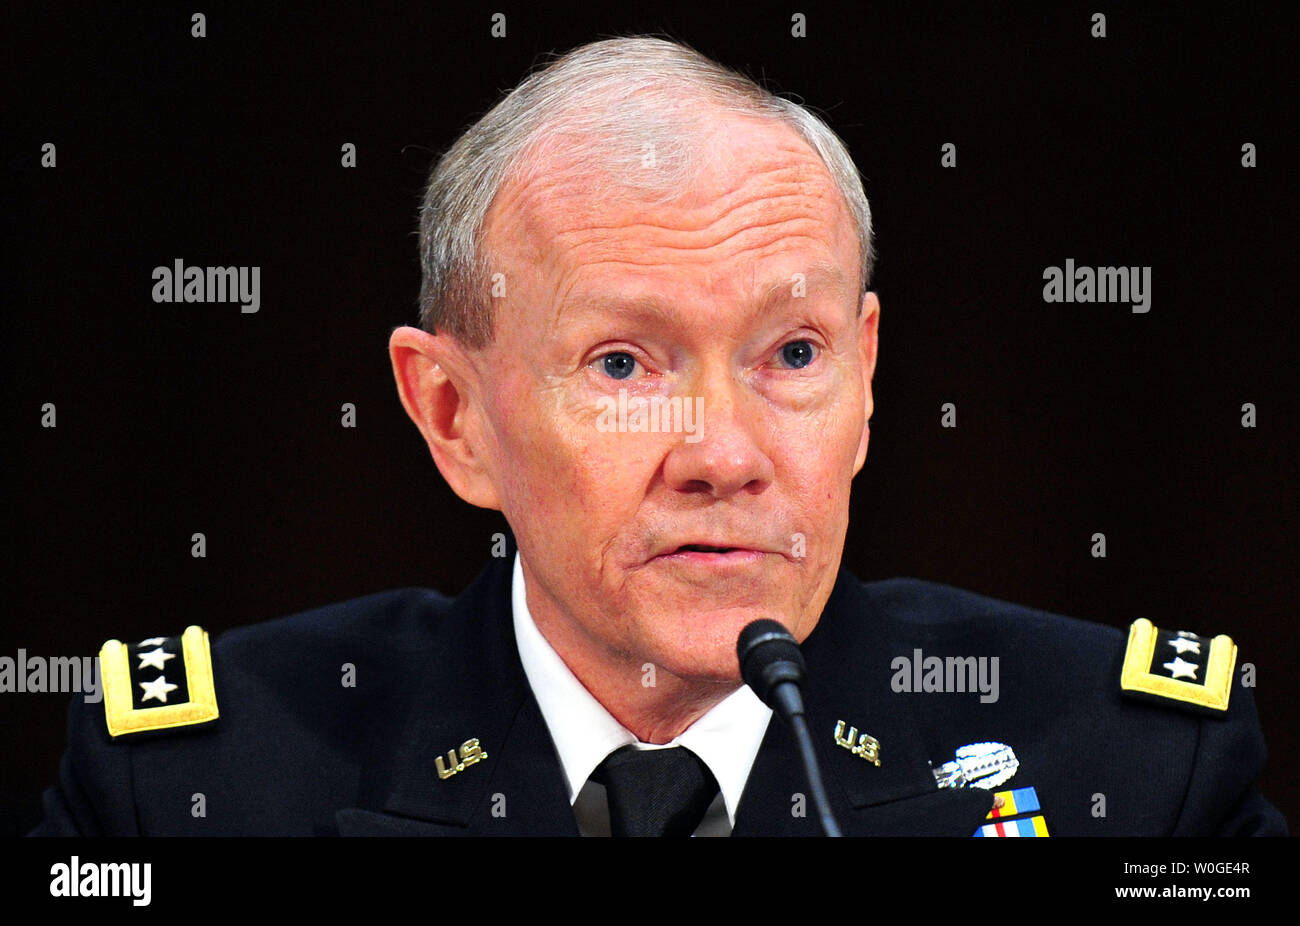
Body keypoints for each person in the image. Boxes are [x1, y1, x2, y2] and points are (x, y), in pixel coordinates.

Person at [31, 37, 1286, 837]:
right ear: (452, 417)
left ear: (864, 380)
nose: (722, 453)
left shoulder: (1133, 776)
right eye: (625, 362)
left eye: (791, 355)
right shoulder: (199, 790)